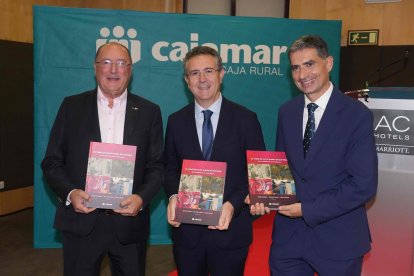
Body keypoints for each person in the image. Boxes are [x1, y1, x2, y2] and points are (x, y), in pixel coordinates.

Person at [250, 35, 378, 275]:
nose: (302, 74)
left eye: (309, 64)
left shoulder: (356, 115)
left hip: (338, 240)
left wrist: (308, 210)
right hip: (288, 241)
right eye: (296, 68)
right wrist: (263, 195)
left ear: (328, 63)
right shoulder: (287, 112)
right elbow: (282, 170)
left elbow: (363, 185)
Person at [41, 42, 163, 276]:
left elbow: (156, 166)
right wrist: (70, 193)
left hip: (129, 224)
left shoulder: (149, 111)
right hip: (82, 222)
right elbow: (52, 162)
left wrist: (141, 197)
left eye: (121, 63)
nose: (113, 70)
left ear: (130, 69)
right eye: (106, 63)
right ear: (95, 67)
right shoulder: (71, 107)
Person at [164, 45, 266, 275]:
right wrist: (172, 196)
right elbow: (169, 168)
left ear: (221, 74)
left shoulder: (246, 119)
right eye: (194, 73)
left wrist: (233, 204)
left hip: (231, 232)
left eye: (209, 71)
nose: (202, 79)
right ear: (186, 80)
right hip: (187, 235)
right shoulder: (176, 121)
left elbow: (256, 174)